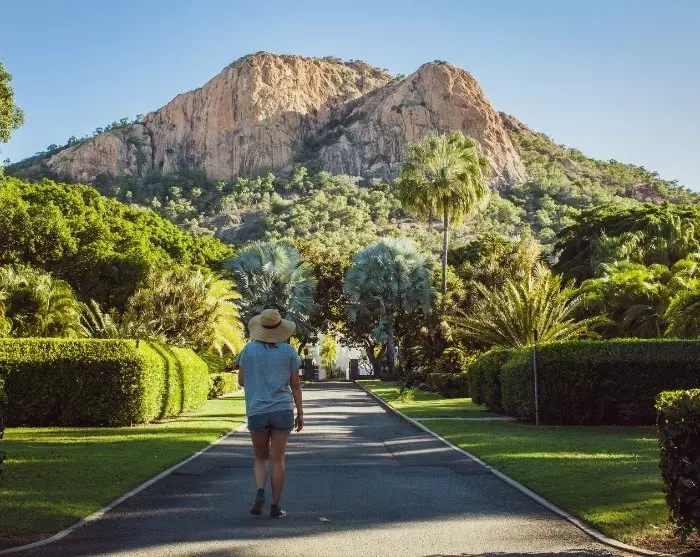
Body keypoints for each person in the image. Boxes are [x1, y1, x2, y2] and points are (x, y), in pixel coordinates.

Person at [236, 308, 304, 518]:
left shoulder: (248, 350)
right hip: (282, 409)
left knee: (260, 458)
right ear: (280, 328)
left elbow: (241, 381)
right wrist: (301, 413)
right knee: (278, 460)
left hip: (257, 410)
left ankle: (259, 491)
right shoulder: (289, 351)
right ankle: (275, 506)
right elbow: (295, 385)